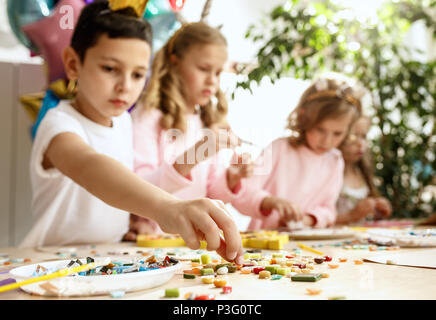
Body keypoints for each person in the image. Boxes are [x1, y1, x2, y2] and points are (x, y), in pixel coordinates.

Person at [19, 1, 243, 265]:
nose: (125, 86)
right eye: (110, 69)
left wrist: (131, 222)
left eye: (138, 75)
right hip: (50, 265)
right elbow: (90, 166)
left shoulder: (124, 122)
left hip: (108, 260)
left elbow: (127, 189)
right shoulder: (57, 124)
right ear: (73, 63)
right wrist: (168, 207)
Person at [124, 22, 253, 240]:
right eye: (204, 69)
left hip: (190, 242)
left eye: (218, 72)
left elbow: (211, 193)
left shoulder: (205, 121)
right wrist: (195, 155)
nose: (212, 80)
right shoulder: (148, 117)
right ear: (175, 64)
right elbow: (136, 190)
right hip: (151, 241)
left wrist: (232, 176)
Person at [226, 75, 363, 230]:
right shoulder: (279, 148)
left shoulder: (335, 161)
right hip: (265, 244)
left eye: (337, 133)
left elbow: (328, 209)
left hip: (308, 244)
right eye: (320, 130)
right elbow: (243, 194)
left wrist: (307, 220)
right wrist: (271, 202)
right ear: (304, 117)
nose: (327, 141)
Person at [335, 115, 392, 224]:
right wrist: (351, 215)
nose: (360, 144)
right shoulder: (329, 173)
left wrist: (378, 209)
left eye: (364, 136)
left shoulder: (361, 171)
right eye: (353, 136)